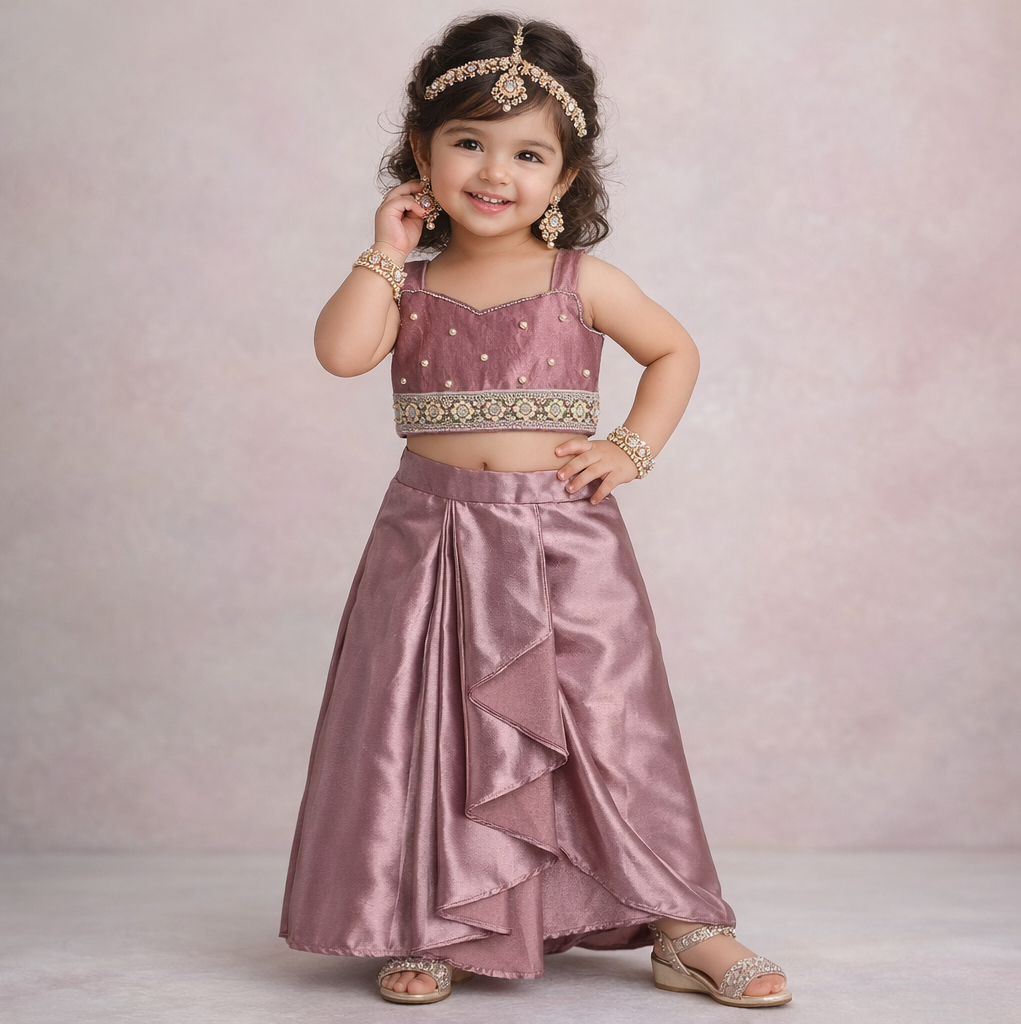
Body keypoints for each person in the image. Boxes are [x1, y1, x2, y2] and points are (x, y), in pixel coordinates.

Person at [280, 13, 791, 1009]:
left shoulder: (579, 279)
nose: (493, 171)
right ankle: (435, 918)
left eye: (527, 153)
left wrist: (629, 448)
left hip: (562, 540)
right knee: (426, 728)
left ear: (563, 180)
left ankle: (687, 924)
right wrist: (381, 250)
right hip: (428, 536)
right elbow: (340, 353)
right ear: (420, 155)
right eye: (467, 141)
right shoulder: (409, 284)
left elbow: (674, 351)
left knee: (609, 725)